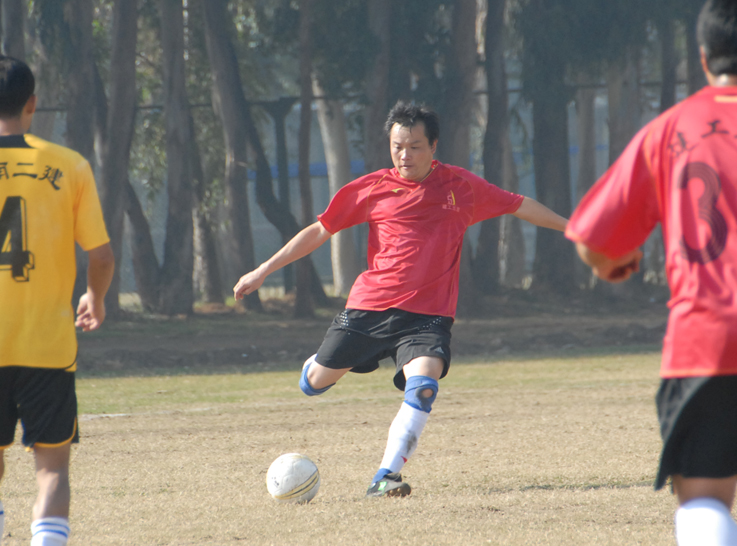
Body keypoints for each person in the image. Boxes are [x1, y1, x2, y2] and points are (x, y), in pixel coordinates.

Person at [234, 100, 568, 497]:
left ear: (433, 147)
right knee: (314, 384)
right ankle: (317, 366)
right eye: (397, 147)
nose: (404, 155)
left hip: (427, 317)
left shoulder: (461, 187)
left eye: (414, 146)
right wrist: (263, 270)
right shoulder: (371, 188)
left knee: (424, 387)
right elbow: (320, 230)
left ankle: (385, 477)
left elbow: (519, 205)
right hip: (369, 309)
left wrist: (573, 228)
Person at [565, 1, 737, 543]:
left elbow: (593, 241)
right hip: (707, 343)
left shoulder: (671, 129)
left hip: (707, 341)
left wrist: (617, 263)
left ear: (704, 57)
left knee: (704, 501)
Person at [0, 56, 114, 546]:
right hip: (47, 345)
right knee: (51, 468)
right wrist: (95, 297)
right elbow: (101, 255)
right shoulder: (68, 165)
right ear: (32, 103)